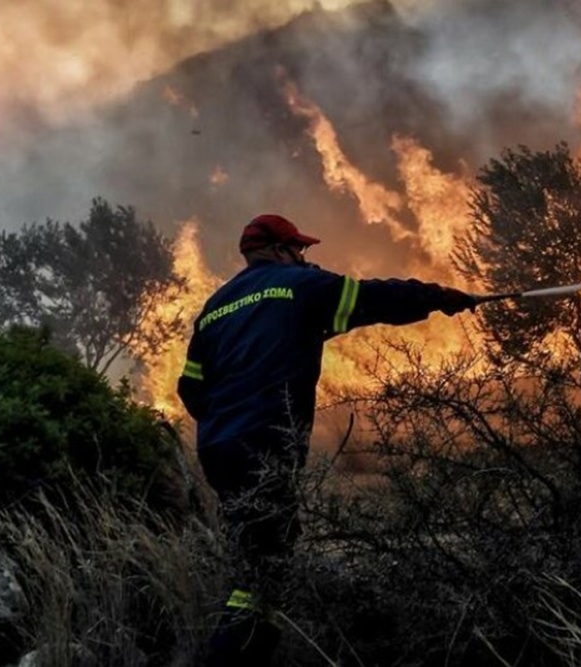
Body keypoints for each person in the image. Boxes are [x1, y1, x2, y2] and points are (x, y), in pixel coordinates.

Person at [177, 213, 476, 665]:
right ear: (279, 250)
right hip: (266, 440)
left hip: (219, 448)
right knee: (266, 567)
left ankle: (249, 646)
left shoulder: (215, 309)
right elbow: (373, 298)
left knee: (257, 554)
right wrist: (439, 297)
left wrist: (227, 421)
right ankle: (230, 657)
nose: (304, 256)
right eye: (300, 249)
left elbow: (190, 389)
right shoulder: (297, 284)